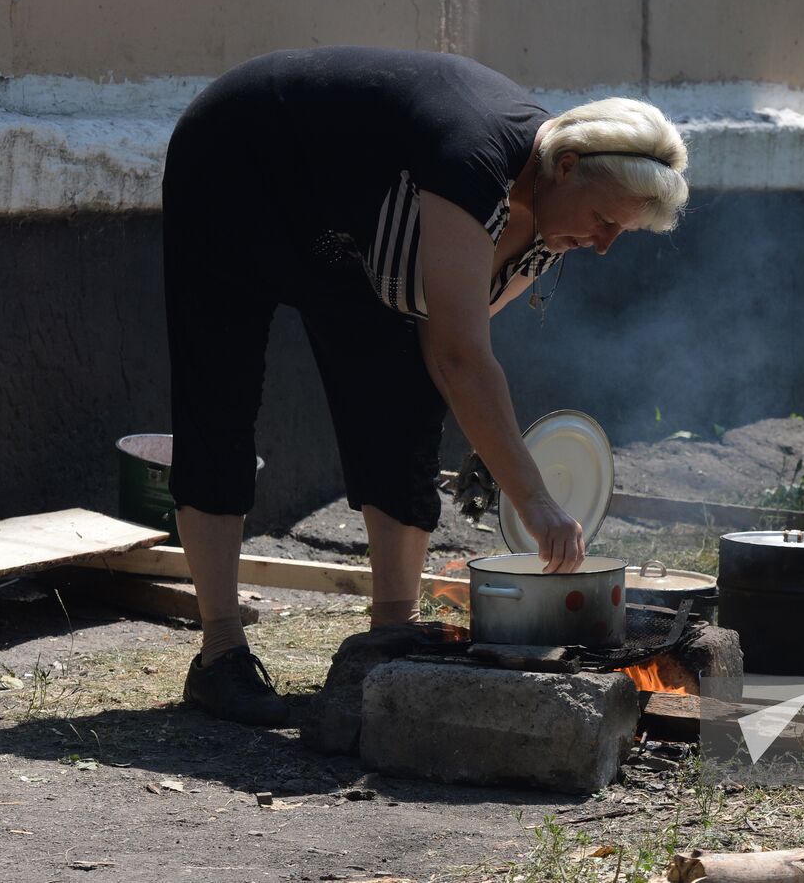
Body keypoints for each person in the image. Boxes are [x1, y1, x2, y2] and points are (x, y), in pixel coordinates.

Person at [162, 47, 689, 726]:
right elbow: (461, 358)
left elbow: (451, 345)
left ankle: (390, 638)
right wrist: (534, 500)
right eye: (605, 221)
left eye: (622, 231)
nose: (606, 244)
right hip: (238, 162)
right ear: (565, 167)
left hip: (347, 224)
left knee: (404, 404)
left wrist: (495, 443)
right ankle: (221, 654)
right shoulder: (472, 157)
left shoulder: (551, 211)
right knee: (220, 396)